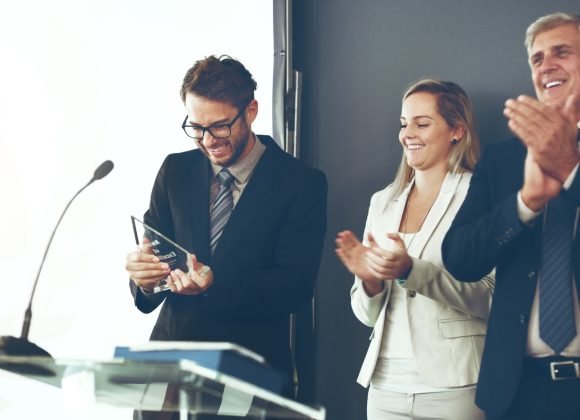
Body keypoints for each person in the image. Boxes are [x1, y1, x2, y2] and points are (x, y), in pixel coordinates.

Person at [124, 55, 327, 409]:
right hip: (168, 369)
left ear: (251, 111)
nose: (207, 140)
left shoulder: (300, 183)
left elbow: (295, 287)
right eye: (196, 127)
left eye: (219, 126)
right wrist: (145, 279)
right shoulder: (175, 169)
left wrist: (214, 283)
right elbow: (156, 258)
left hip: (248, 370)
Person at [442, 12, 580, 420]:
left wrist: (571, 171)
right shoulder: (502, 158)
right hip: (517, 392)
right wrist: (527, 201)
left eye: (562, 52)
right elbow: (460, 256)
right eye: (537, 59)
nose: (546, 65)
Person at [336, 79, 494, 420]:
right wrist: (371, 282)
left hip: (454, 388)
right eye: (404, 123)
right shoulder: (382, 202)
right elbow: (365, 315)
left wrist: (410, 271)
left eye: (422, 123)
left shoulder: (480, 195)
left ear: (457, 131)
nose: (408, 133)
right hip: (384, 388)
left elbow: (491, 298)